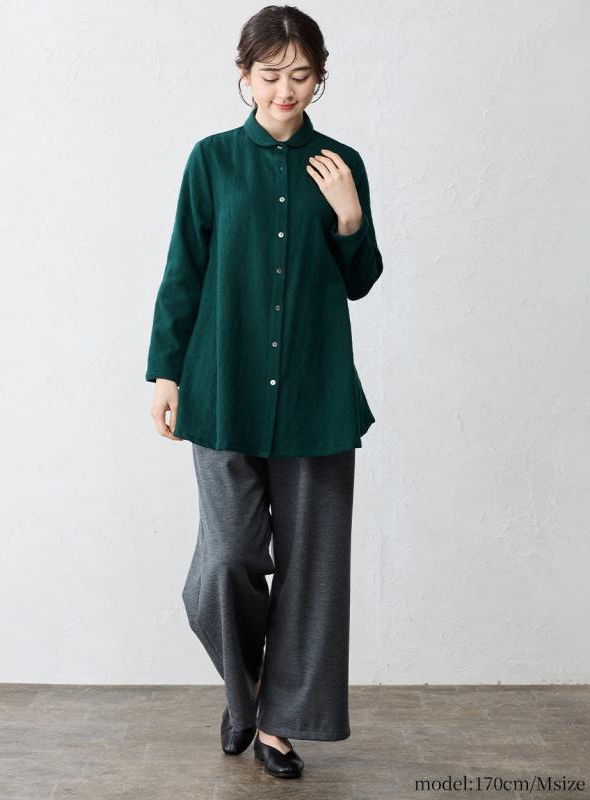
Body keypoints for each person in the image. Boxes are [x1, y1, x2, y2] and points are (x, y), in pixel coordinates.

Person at [146, 4, 384, 780]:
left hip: (317, 396)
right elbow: (183, 270)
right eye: (272, 73)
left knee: (314, 573)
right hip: (223, 390)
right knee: (227, 562)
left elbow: (360, 280)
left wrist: (349, 216)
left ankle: (279, 726)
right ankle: (246, 690)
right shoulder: (212, 160)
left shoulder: (342, 163)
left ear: (320, 79)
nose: (287, 89)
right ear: (245, 76)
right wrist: (165, 372)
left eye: (302, 75)